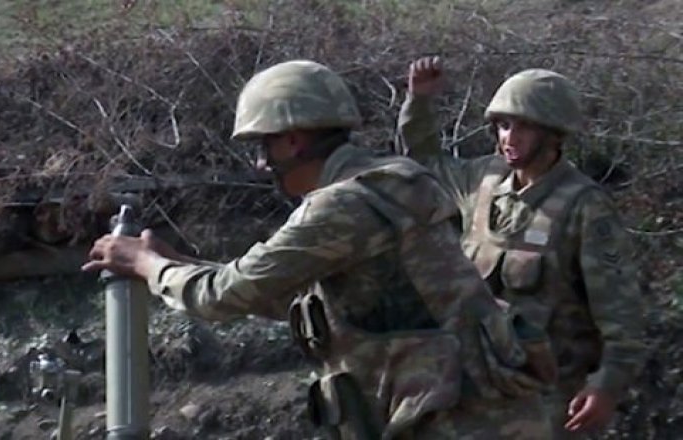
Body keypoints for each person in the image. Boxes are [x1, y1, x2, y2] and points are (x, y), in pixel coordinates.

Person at [84, 59, 557, 439]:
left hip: (460, 422)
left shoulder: (343, 205)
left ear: (293, 140)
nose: (261, 164)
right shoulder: (391, 181)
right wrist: (181, 264)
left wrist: (145, 263)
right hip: (484, 415)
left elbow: (222, 296)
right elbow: (304, 304)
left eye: (263, 148)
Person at [397, 56, 648, 438]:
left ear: (554, 134)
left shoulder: (584, 207)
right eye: (503, 125)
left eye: (523, 127)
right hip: (473, 391)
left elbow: (621, 312)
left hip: (548, 402)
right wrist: (419, 101)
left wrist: (607, 385)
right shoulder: (482, 181)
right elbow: (425, 161)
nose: (509, 138)